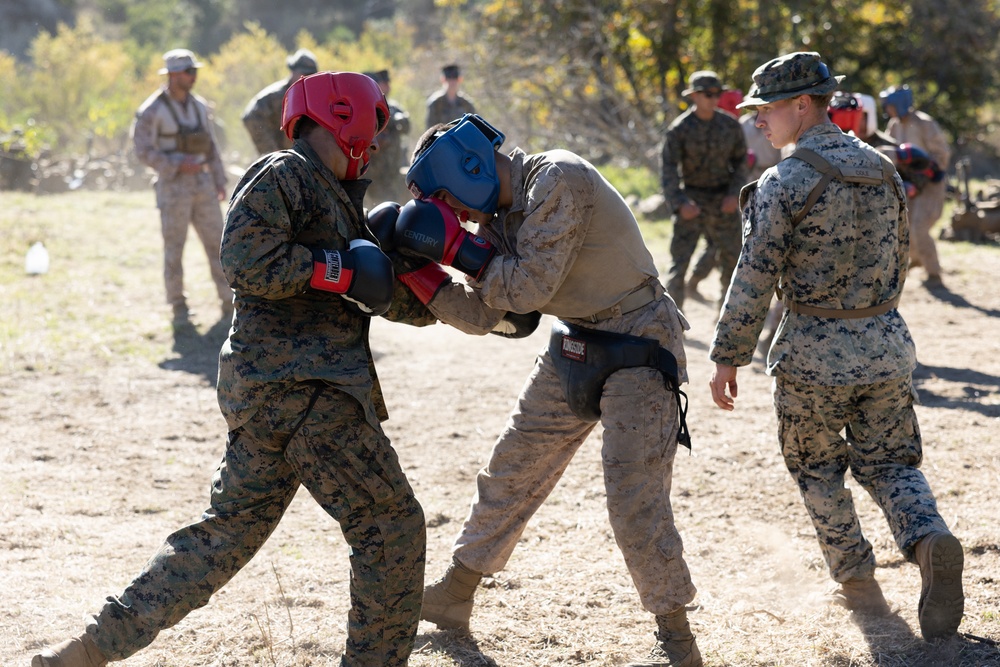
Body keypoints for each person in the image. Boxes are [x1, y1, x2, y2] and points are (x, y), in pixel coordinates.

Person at [32, 71, 437, 667]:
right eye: (371, 130)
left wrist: (427, 273)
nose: (376, 144)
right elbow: (245, 258)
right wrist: (342, 270)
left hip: (275, 400)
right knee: (390, 527)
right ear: (340, 119)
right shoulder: (285, 173)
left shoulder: (337, 199)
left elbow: (394, 302)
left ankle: (89, 649)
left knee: (222, 537)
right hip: (304, 392)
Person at [379, 113, 701, 667]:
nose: (452, 216)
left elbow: (528, 287)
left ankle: (676, 638)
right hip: (577, 341)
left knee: (633, 498)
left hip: (639, 337)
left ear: (467, 167)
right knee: (513, 467)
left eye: (448, 201)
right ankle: (455, 598)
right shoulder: (497, 222)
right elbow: (486, 316)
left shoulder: (558, 179)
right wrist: (417, 273)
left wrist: (454, 248)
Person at [709, 52, 965, 643]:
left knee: (818, 470)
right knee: (892, 463)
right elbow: (900, 257)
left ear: (803, 105)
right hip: (885, 344)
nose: (758, 123)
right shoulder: (885, 170)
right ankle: (928, 542)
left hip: (812, 355)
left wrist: (728, 355)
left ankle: (857, 582)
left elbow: (754, 276)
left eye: (766, 110)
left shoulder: (783, 182)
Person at [131, 48, 233, 330]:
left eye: (194, 71)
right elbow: (141, 150)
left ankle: (229, 301)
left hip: (203, 184)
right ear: (174, 75)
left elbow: (211, 145)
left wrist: (220, 180)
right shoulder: (152, 110)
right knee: (174, 248)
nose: (193, 76)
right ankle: (178, 305)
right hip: (173, 187)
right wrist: (175, 164)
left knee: (219, 244)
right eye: (189, 72)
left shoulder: (199, 106)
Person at [661, 70, 748, 311]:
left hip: (724, 202)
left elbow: (741, 164)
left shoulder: (730, 126)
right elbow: (668, 169)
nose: (713, 99)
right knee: (679, 264)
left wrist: (734, 194)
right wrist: (679, 203)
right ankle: (672, 321)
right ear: (695, 96)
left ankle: (726, 316)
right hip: (692, 201)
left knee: (732, 262)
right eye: (708, 94)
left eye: (717, 94)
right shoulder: (679, 129)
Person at [880, 85, 951, 288]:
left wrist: (926, 170)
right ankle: (917, 258)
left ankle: (934, 274)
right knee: (904, 224)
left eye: (890, 106)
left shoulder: (924, 123)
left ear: (899, 105)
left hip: (930, 184)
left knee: (920, 225)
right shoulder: (894, 125)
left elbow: (942, 155)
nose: (888, 110)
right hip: (908, 182)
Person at [241, 48, 318, 155]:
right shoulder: (276, 95)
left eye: (311, 74)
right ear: (293, 72)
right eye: (304, 73)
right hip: (279, 159)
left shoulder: (314, 98)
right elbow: (250, 117)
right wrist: (271, 150)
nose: (307, 78)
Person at [364, 69, 411, 206]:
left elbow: (406, 127)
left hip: (392, 170)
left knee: (393, 204)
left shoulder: (394, 108)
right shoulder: (366, 109)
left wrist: (398, 121)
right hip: (372, 170)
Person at [424, 63, 477, 129]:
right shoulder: (435, 103)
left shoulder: (467, 104)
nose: (452, 82)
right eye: (449, 78)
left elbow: (473, 127)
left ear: (460, 80)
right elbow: (429, 130)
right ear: (443, 79)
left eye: (455, 78)